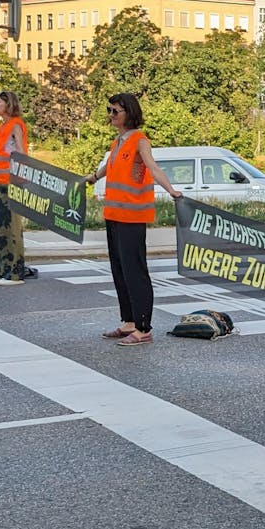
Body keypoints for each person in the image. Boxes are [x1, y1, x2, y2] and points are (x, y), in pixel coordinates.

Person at [85, 93, 183, 347]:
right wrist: (94, 177)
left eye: (115, 111)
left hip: (133, 215)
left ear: (129, 112)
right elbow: (110, 166)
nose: (110, 115)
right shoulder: (117, 141)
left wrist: (171, 190)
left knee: (135, 271)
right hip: (114, 215)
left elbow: (153, 167)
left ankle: (143, 327)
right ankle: (128, 321)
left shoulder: (140, 141)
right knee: (119, 270)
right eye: (109, 110)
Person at [0, 91, 35, 286]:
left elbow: (22, 152)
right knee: (1, 225)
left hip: (10, 182)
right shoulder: (3, 125)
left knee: (12, 227)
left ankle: (15, 273)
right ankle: (4, 268)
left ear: (8, 104)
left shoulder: (15, 125)